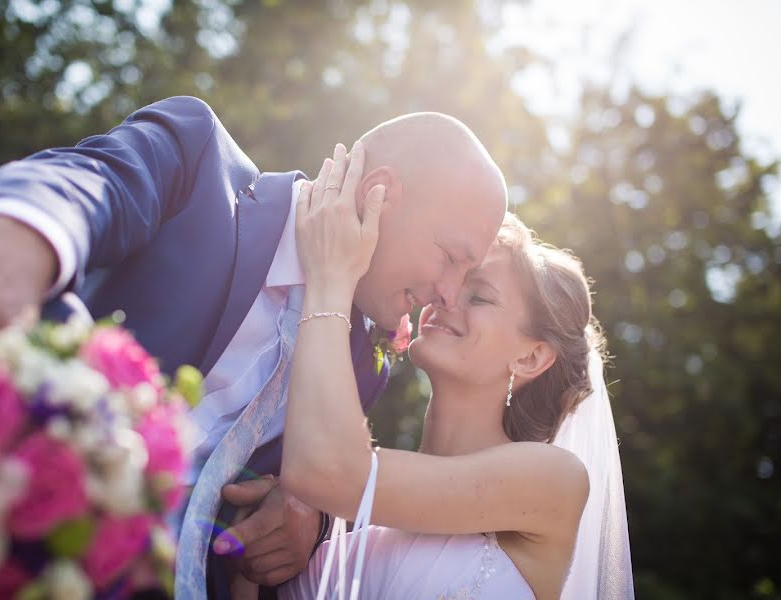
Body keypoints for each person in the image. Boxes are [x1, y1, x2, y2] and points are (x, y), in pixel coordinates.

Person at [0, 97, 507, 597]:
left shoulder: (359, 366)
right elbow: (91, 181)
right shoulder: (201, 165)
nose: (447, 295)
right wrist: (18, 235)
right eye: (451, 258)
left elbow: (312, 482)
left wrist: (308, 518)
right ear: (380, 193)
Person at [272, 149, 634, 599]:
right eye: (451, 280)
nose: (444, 296)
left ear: (531, 357)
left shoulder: (552, 482)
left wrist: (331, 276)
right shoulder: (348, 514)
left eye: (478, 297)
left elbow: (329, 472)